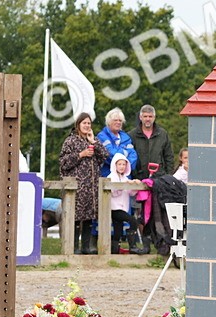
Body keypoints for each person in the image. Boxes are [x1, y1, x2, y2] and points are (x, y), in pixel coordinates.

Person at [58, 112, 108, 255]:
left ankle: (85, 247)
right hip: (77, 187)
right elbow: (63, 163)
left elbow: (105, 155)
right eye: (84, 123)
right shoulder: (70, 141)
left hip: (91, 187)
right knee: (75, 218)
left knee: (88, 218)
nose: (87, 126)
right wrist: (81, 155)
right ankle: (73, 248)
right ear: (78, 124)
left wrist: (94, 143)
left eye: (89, 123)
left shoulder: (93, 140)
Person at [108, 152, 150, 254]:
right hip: (114, 208)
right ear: (115, 165)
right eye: (119, 164)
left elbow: (131, 193)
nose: (122, 167)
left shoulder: (125, 178)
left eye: (124, 164)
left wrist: (135, 185)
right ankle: (132, 246)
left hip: (122, 208)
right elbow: (113, 192)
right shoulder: (111, 176)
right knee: (133, 221)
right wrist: (125, 185)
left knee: (118, 229)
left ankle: (114, 249)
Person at [131, 104, 174, 180]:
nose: (148, 119)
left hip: (159, 177)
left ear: (154, 118)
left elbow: (169, 157)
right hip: (138, 178)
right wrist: (134, 174)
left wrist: (169, 177)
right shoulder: (132, 135)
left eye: (150, 116)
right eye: (145, 116)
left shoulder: (163, 134)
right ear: (140, 117)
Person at [95, 108, 138, 178]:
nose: (118, 122)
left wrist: (124, 167)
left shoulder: (126, 137)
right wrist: (125, 154)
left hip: (125, 177)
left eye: (120, 120)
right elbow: (110, 155)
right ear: (109, 122)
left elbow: (133, 155)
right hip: (107, 176)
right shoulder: (102, 136)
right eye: (115, 120)